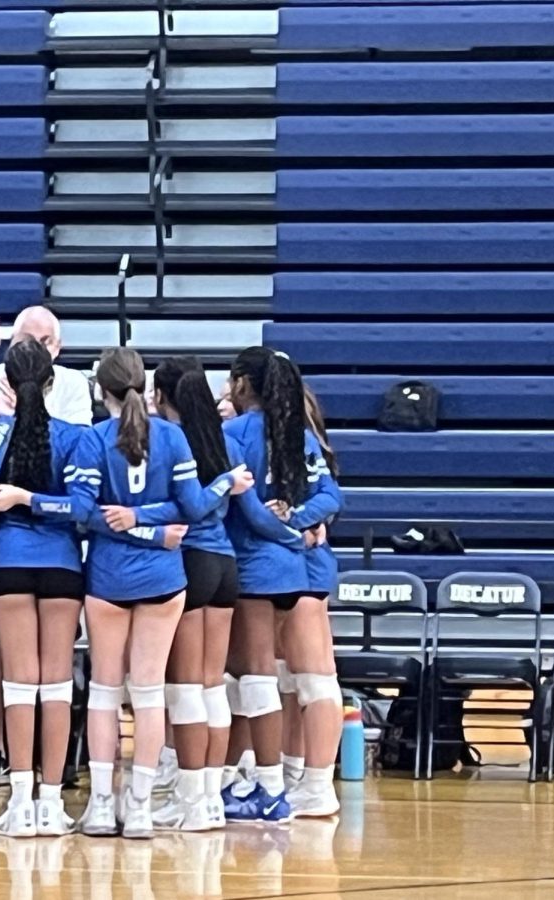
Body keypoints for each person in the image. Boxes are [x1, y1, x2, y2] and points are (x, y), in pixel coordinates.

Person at [67, 347, 251, 839]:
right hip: (163, 579)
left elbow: (84, 514)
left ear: (99, 389)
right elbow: (192, 507)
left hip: (107, 579)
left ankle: (103, 807)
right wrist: (153, 526)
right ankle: (143, 808)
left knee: (105, 694)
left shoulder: (92, 440)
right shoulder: (172, 437)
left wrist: (129, 521)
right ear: (145, 388)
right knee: (149, 696)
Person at [0, 309, 95, 790]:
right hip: (62, 566)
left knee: (19, 684)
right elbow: (82, 508)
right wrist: (38, 501)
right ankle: (53, 800)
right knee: (56, 684)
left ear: (9, 383)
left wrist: (20, 497)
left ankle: (21, 800)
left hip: (7, 563)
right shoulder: (76, 436)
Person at [221, 347, 342, 823]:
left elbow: (238, 506)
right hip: (297, 566)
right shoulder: (300, 435)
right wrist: (302, 519)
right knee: (293, 680)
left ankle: (285, 782)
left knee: (279, 677)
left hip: (265, 564)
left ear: (243, 384)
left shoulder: (237, 433)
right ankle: (291, 778)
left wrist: (287, 523)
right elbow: (331, 494)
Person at [149, 356, 248, 832]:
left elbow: (187, 504)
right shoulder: (218, 436)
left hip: (192, 561)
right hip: (226, 564)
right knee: (212, 686)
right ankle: (210, 797)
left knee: (185, 689)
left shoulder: (174, 440)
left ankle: (191, 800)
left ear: (162, 397)